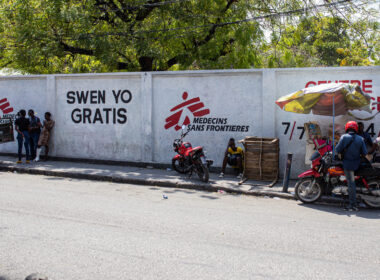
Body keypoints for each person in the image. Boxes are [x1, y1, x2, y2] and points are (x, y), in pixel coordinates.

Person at [336, 121, 367, 211]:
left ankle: (352, 205)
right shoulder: (360, 139)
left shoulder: (344, 137)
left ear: (347, 128)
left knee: (351, 184)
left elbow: (337, 149)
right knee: (351, 183)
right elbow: (364, 152)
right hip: (357, 164)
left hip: (348, 165)